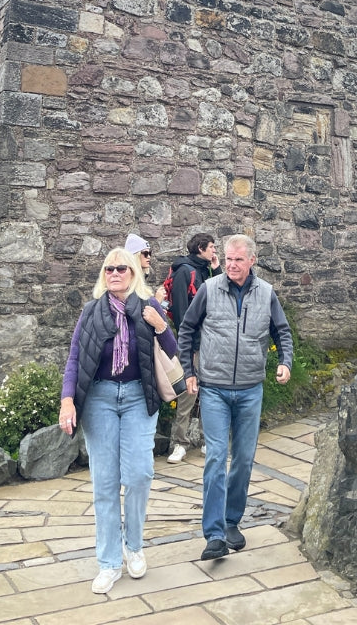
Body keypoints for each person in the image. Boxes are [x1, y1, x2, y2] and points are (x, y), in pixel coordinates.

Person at [58, 248, 175, 595]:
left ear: (133, 272)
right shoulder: (92, 311)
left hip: (139, 396)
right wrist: (67, 400)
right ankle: (109, 562)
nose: (114, 273)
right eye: (109, 268)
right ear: (103, 274)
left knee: (139, 473)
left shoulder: (148, 307)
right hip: (100, 399)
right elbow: (75, 358)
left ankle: (133, 545)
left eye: (121, 268)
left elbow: (172, 351)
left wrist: (162, 325)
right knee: (105, 483)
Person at [177, 234, 293, 561]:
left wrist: (285, 362)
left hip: (250, 389)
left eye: (238, 260)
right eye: (228, 259)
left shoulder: (267, 293)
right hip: (212, 387)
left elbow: (281, 331)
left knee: (243, 458)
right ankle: (213, 534)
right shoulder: (210, 290)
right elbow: (187, 329)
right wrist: (189, 371)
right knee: (215, 456)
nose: (231, 265)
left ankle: (231, 521)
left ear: (252, 260)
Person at [164, 233, 220, 463]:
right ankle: (180, 443)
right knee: (188, 393)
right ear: (200, 248)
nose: (215, 251)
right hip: (193, 345)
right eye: (212, 248)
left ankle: (209, 441)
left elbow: (221, 293)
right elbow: (180, 312)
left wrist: (216, 269)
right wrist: (187, 346)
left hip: (209, 342)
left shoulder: (205, 268)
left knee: (210, 392)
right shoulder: (185, 271)